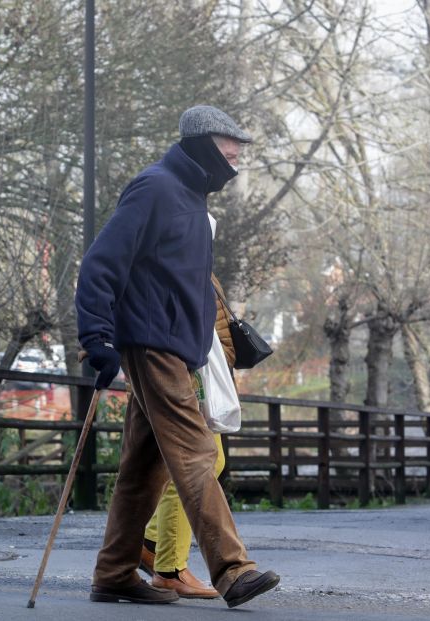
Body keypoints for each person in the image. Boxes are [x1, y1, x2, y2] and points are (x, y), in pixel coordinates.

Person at [75, 105, 280, 608]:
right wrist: (96, 338)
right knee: (197, 451)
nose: (236, 153)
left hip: (175, 347)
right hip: (151, 342)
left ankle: (114, 572)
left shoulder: (190, 197)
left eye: (239, 147)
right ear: (198, 142)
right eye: (227, 142)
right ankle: (233, 569)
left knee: (144, 469)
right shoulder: (156, 188)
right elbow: (101, 263)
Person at [138, 274, 233, 600]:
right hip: (181, 373)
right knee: (196, 465)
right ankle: (168, 568)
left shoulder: (195, 257)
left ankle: (153, 543)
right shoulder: (176, 256)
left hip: (195, 372)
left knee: (199, 463)